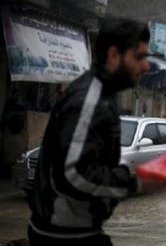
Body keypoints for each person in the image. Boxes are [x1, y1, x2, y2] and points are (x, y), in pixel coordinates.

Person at [28, 19, 152, 245]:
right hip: (64, 235)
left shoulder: (103, 93)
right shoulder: (90, 100)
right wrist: (138, 182)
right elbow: (74, 174)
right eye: (139, 57)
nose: (146, 66)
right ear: (114, 55)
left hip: (76, 230)